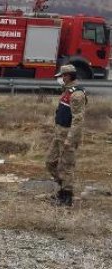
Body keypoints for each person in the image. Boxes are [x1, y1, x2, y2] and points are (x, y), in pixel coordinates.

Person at [46, 64, 87, 207]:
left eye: (62, 76)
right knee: (50, 162)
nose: (61, 79)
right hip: (59, 133)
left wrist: (70, 139)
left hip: (68, 135)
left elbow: (78, 119)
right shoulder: (68, 91)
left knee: (67, 166)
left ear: (68, 76)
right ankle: (62, 188)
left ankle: (66, 196)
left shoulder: (77, 94)